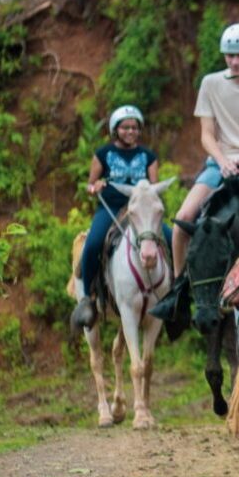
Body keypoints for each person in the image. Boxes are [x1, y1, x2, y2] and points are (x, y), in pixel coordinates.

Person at [170, 22, 239, 276]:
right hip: (219, 165)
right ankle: (178, 287)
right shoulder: (210, 84)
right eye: (230, 56)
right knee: (183, 218)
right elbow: (207, 135)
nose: (234, 62)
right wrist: (222, 161)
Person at [70, 105, 169, 332]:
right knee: (93, 243)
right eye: (125, 127)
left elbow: (153, 188)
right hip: (111, 208)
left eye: (134, 127)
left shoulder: (148, 156)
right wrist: (95, 187)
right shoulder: (103, 154)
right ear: (116, 130)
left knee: (172, 238)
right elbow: (89, 183)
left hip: (140, 212)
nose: (130, 131)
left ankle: (174, 296)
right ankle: (87, 298)